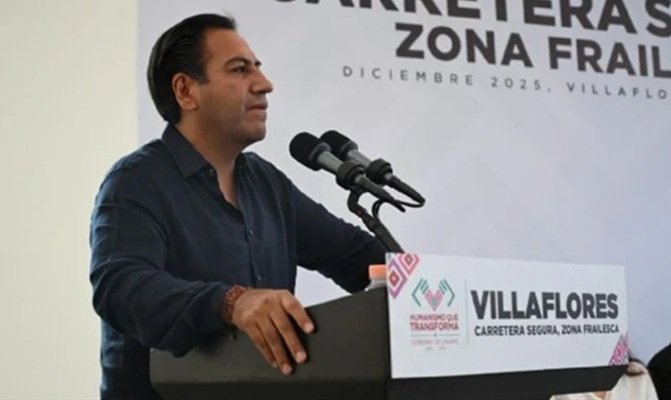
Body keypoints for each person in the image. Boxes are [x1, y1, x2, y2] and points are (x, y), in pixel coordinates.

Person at [89, 13, 386, 400]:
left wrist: (425, 288)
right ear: (186, 91)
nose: (265, 84)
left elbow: (354, 255)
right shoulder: (136, 180)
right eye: (240, 69)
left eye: (257, 68)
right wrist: (230, 302)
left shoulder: (266, 182)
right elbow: (120, 287)